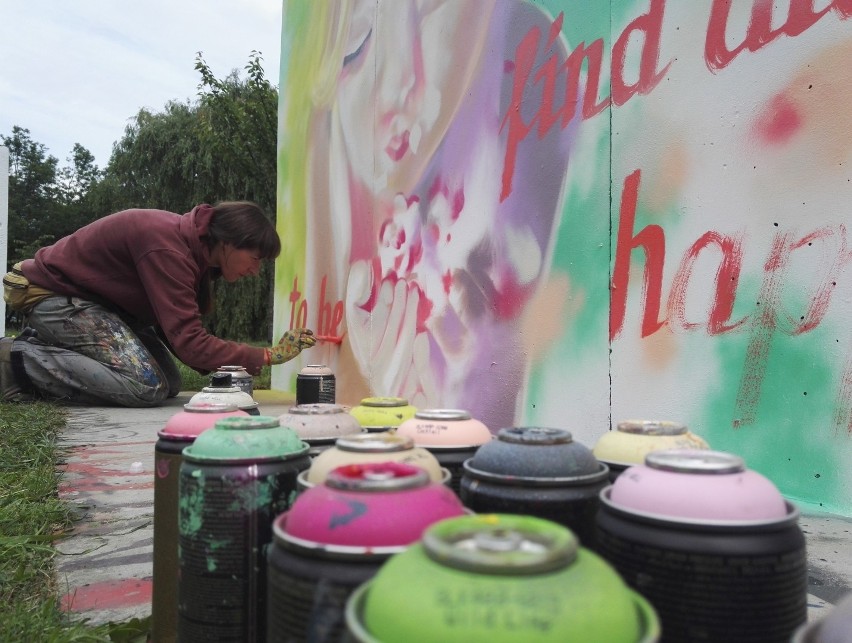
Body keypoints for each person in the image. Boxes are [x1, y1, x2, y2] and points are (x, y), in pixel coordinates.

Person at [0, 201, 316, 406]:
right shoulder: (169, 249)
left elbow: (175, 332)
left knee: (169, 383)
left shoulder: (193, 251)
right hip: (54, 299)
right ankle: (16, 362)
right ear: (229, 242)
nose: (255, 270)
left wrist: (238, 363)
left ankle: (45, 343)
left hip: (90, 307)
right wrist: (266, 355)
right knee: (144, 386)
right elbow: (190, 341)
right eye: (256, 258)